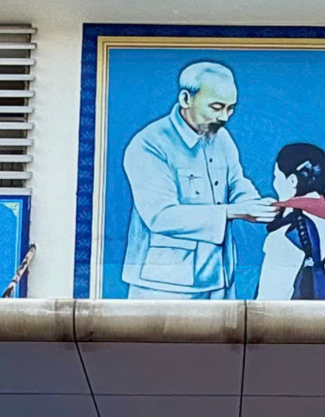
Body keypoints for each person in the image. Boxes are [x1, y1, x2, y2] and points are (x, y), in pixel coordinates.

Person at [118, 59, 275, 300]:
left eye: (230, 108)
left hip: (220, 276)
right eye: (216, 107)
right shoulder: (149, 144)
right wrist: (234, 211)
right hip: (165, 284)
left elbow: (236, 182)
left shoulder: (221, 138)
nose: (225, 117)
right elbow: (160, 216)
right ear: (185, 99)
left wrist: (255, 204)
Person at [253, 141, 325, 300]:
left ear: (292, 181)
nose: (274, 183)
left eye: (276, 177)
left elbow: (267, 302)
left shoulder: (283, 236)